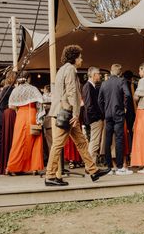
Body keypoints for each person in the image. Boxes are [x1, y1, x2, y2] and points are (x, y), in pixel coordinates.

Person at [44, 44, 110, 186]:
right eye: (80, 57)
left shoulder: (62, 69)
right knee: (58, 144)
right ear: (74, 58)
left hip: (63, 111)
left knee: (81, 142)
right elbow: (72, 92)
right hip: (67, 113)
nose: (81, 59)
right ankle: (50, 175)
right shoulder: (70, 70)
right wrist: (75, 113)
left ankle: (93, 171)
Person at [98, 64, 133, 175]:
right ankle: (119, 167)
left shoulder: (104, 83)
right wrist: (125, 107)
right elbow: (127, 95)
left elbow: (99, 100)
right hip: (119, 113)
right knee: (119, 140)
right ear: (120, 72)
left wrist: (104, 111)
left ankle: (109, 167)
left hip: (108, 114)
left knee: (108, 140)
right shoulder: (121, 81)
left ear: (111, 71)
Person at [6, 75, 44, 174]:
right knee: (35, 140)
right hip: (32, 114)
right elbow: (40, 103)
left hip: (21, 116)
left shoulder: (16, 90)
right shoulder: (33, 89)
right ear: (29, 79)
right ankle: (34, 168)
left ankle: (14, 167)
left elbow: (11, 106)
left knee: (18, 141)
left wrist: (19, 109)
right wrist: (40, 118)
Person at [0, 71, 17, 175]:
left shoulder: (4, 89)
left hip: (5, 115)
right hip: (10, 113)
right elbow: (11, 104)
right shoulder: (11, 89)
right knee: (11, 139)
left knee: (6, 139)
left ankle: (7, 165)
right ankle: (11, 166)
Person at [82, 67, 104, 165]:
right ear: (94, 75)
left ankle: (91, 166)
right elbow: (89, 105)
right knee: (94, 143)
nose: (100, 75)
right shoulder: (88, 86)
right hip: (94, 119)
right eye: (98, 74)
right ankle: (91, 166)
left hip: (94, 118)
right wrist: (96, 117)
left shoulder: (92, 86)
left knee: (94, 142)